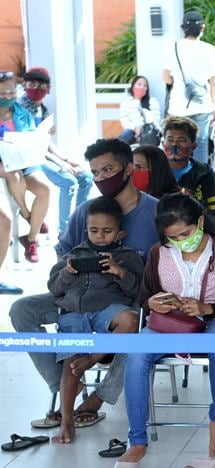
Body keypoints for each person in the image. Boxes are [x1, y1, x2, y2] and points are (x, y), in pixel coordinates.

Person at [10, 138, 159, 432]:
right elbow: (61, 263)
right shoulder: (85, 212)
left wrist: (124, 277)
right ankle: (65, 386)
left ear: (128, 169)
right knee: (22, 309)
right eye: (96, 172)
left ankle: (99, 397)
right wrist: (69, 270)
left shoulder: (154, 212)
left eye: (109, 169)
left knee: (138, 323)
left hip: (128, 299)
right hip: (77, 296)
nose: (102, 178)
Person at [112, 193, 215, 468]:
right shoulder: (158, 252)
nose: (179, 241)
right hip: (171, 324)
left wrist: (206, 307)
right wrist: (152, 303)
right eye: (172, 237)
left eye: (185, 234)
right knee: (136, 355)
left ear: (200, 222)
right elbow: (145, 296)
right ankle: (137, 441)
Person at [47, 196, 143, 444]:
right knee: (71, 361)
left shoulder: (127, 256)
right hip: (74, 313)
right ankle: (67, 419)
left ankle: (91, 359)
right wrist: (68, 273)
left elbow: (141, 291)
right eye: (94, 230)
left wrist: (120, 272)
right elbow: (54, 288)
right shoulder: (74, 254)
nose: (100, 236)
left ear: (120, 233)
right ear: (86, 229)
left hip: (107, 310)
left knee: (131, 320)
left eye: (107, 231)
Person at [18, 67, 94, 234]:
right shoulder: (21, 108)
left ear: (48, 88)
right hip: (31, 159)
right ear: (24, 85)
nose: (36, 89)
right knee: (69, 182)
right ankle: (65, 232)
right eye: (32, 84)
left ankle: (80, 224)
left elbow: (46, 142)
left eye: (41, 85)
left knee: (87, 177)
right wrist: (60, 163)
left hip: (42, 154)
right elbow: (33, 145)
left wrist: (67, 159)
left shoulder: (43, 110)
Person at [0, 70, 49, 262]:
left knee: (44, 189)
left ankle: (31, 240)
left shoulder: (22, 112)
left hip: (23, 160)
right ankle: (27, 214)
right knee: (13, 173)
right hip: (4, 163)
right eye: (3, 94)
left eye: (11, 93)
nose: (8, 97)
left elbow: (31, 137)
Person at [162, 11, 215, 165]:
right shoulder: (210, 49)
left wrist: (178, 82)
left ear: (184, 28)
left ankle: (178, 181)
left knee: (177, 144)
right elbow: (214, 82)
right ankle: (199, 184)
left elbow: (166, 78)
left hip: (178, 107)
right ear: (202, 28)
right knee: (200, 144)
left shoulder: (173, 48)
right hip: (203, 105)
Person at [161, 116, 215, 229]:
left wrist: (195, 208)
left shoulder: (205, 174)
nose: (174, 145)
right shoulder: (154, 170)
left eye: (181, 140)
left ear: (193, 146)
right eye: (170, 139)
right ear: (163, 143)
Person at [119, 75, 162, 145]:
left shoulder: (152, 101)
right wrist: (135, 128)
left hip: (149, 130)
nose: (142, 87)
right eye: (139, 84)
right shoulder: (126, 102)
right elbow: (124, 120)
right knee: (125, 135)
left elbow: (156, 119)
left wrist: (143, 129)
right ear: (133, 87)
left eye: (145, 86)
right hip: (133, 131)